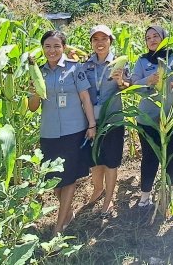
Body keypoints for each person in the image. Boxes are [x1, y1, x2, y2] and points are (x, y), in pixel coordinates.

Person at [28, 30, 97, 235]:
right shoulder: (38, 72)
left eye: (57, 46)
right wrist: (33, 90)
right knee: (55, 181)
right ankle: (67, 213)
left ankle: (59, 226)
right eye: (48, 46)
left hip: (74, 130)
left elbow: (85, 98)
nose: (52, 50)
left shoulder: (75, 69)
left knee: (68, 178)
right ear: (42, 48)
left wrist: (91, 125)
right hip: (49, 132)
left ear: (64, 48)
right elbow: (32, 107)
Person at [129, 25, 173, 208]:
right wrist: (148, 81)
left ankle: (172, 188)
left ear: (165, 37)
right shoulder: (142, 61)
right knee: (149, 156)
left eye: (156, 36)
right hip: (148, 118)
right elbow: (134, 84)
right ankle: (145, 195)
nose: (152, 40)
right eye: (148, 38)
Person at [82, 24, 130, 217]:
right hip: (92, 119)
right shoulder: (86, 65)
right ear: (92, 43)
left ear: (111, 41)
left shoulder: (120, 63)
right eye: (96, 39)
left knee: (111, 161)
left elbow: (127, 86)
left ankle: (109, 199)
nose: (100, 43)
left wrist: (120, 82)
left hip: (113, 119)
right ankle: (97, 189)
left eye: (104, 39)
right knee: (95, 159)